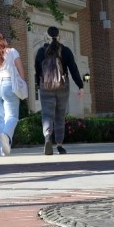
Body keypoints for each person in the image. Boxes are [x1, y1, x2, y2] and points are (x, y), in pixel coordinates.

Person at [34, 26, 83, 155]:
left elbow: (37, 70)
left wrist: (38, 84)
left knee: (47, 114)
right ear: (59, 36)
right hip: (62, 85)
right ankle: (60, 145)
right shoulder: (65, 51)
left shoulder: (41, 51)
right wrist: (80, 86)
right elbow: (73, 69)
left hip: (45, 85)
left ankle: (47, 137)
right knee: (60, 115)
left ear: (47, 36)